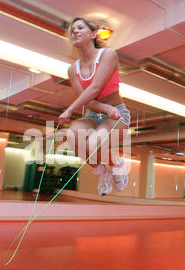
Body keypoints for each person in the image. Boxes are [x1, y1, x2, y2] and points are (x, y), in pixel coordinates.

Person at [58, 17, 131, 196]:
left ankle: (116, 164)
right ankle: (102, 172)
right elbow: (87, 100)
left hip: (118, 114)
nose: (74, 31)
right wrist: (105, 109)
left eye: (80, 28)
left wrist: (69, 110)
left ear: (93, 34)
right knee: (73, 135)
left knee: (92, 143)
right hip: (94, 115)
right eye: (72, 29)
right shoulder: (72, 69)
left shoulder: (108, 54)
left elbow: (95, 88)